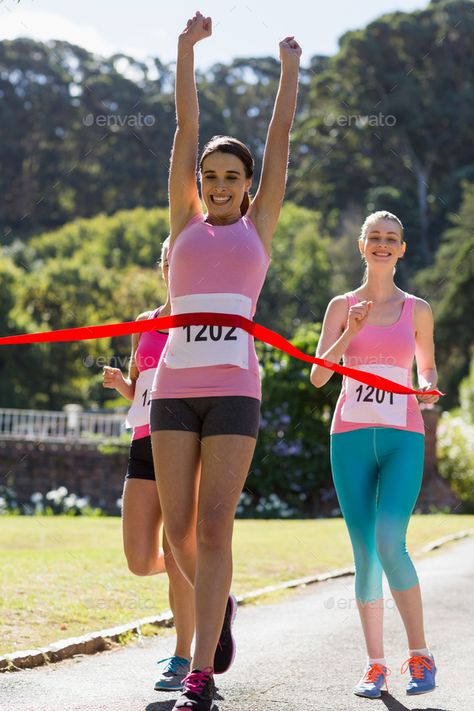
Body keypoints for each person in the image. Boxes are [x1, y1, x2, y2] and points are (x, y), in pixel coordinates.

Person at [149, 11, 301, 710]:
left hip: (236, 388)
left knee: (215, 526)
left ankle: (201, 676)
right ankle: (223, 602)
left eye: (230, 175)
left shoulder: (257, 227)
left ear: (247, 184)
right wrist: (185, 51)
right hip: (174, 385)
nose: (216, 183)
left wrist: (289, 73)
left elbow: (279, 140)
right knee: (177, 531)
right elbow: (184, 129)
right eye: (208, 174)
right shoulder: (182, 226)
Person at [310, 211, 438, 698]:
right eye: (375, 238)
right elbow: (320, 375)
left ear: (402, 249)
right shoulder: (341, 305)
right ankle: (375, 665)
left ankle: (420, 656)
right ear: (361, 246)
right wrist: (349, 330)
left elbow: (425, 370)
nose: (383, 245)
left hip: (403, 435)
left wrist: (427, 388)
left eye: (392, 239)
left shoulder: (418, 310)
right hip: (350, 437)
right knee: (364, 554)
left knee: (390, 540)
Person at [102, 238, 195, 693]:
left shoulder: (201, 322)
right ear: (163, 267)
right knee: (141, 561)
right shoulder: (145, 323)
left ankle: (183, 658)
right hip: (143, 444)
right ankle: (209, 579)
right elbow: (142, 389)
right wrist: (122, 383)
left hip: (187, 447)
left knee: (178, 555)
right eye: (169, 262)